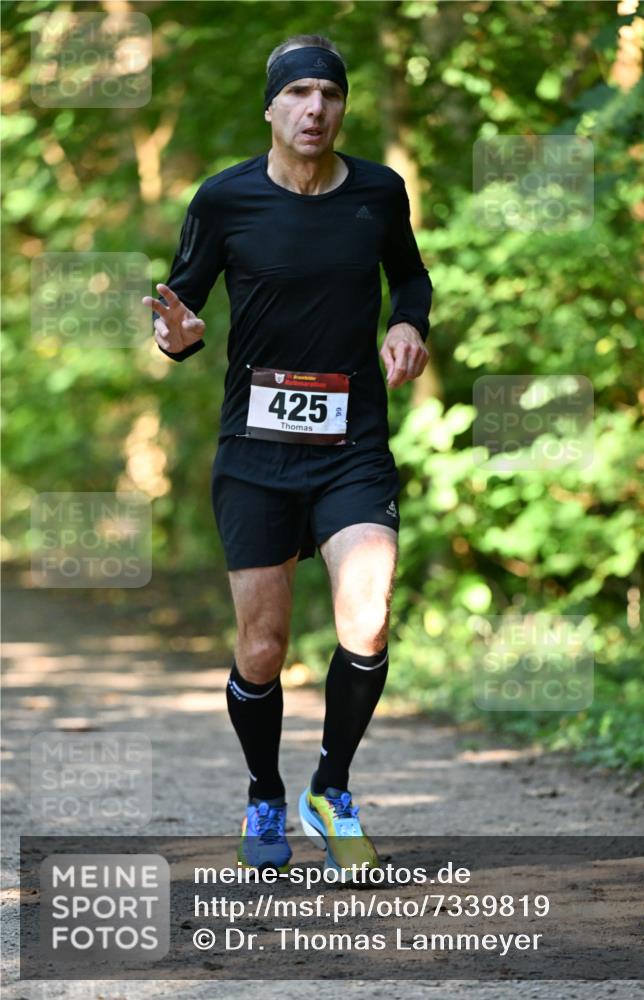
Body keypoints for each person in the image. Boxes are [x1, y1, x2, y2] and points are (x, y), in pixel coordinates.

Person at [142, 33, 432, 879]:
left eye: (329, 94)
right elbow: (178, 305)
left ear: (343, 106)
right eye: (298, 93)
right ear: (270, 107)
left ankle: (330, 787)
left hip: (352, 448)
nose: (315, 109)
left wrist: (408, 322)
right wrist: (178, 339)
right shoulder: (223, 199)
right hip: (255, 453)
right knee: (262, 647)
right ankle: (264, 790)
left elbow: (408, 278)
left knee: (368, 615)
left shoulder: (378, 193)